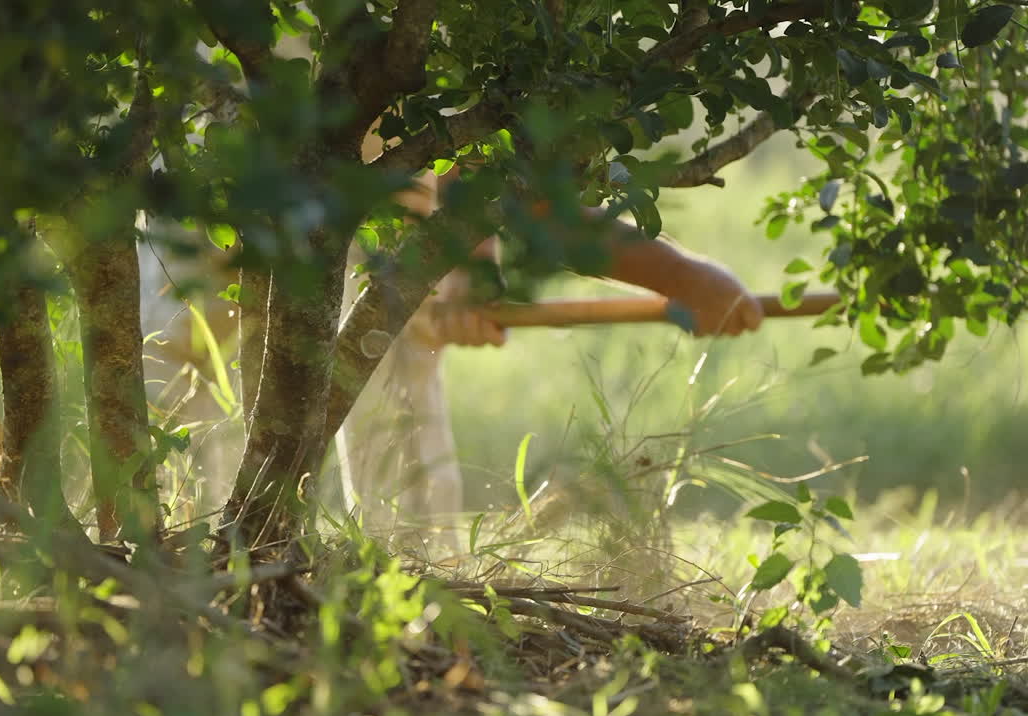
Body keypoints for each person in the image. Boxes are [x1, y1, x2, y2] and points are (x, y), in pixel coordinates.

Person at [140, 137, 763, 540]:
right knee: (163, 384)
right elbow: (461, 156)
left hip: (352, 195)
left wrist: (680, 275)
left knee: (393, 371)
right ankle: (158, 574)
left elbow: (484, 160)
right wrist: (461, 260)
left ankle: (410, 591)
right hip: (216, 180)